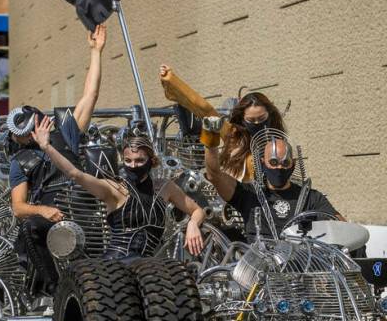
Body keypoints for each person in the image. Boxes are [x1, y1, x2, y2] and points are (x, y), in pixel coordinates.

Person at [7, 24, 106, 291]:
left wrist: (96, 52)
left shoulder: (66, 129)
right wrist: (42, 210)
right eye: (24, 135)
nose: (31, 134)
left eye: (33, 125)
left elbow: (90, 95)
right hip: (53, 216)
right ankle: (54, 290)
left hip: (85, 209)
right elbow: (18, 207)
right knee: (29, 229)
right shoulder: (21, 161)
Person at [32, 116, 206, 260]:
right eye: (128, 161)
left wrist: (193, 224)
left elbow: (198, 210)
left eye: (139, 161)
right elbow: (74, 174)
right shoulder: (114, 189)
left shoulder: (165, 187)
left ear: (152, 162)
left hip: (150, 267)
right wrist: (46, 147)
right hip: (117, 265)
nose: (133, 165)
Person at [201, 120, 341, 240]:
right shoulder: (248, 194)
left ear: (293, 164)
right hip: (261, 265)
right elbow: (214, 175)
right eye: (273, 162)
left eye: (285, 163)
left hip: (301, 263)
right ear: (262, 163)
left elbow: (342, 226)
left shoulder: (311, 197)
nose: (279, 167)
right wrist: (211, 139)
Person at [159, 64, 287, 182]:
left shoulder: (281, 144)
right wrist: (171, 80)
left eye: (262, 118)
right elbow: (205, 109)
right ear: (242, 119)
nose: (257, 123)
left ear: (270, 114)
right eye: (251, 120)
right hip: (234, 198)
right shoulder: (233, 135)